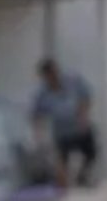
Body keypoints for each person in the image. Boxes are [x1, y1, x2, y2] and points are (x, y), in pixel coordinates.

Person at [32, 58, 97, 188]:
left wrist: (83, 116)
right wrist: (39, 135)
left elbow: (85, 97)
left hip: (79, 127)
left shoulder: (72, 82)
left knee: (91, 153)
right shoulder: (43, 93)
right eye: (48, 76)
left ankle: (82, 175)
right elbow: (36, 114)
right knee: (61, 163)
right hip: (62, 133)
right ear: (45, 77)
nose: (52, 77)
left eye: (54, 73)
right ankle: (64, 189)